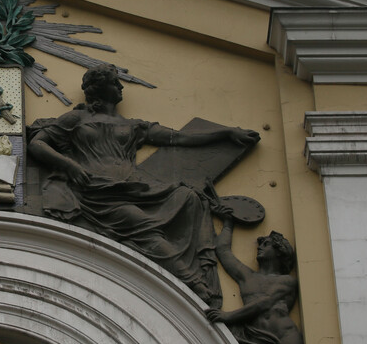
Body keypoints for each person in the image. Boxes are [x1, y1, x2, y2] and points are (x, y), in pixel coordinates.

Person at [27, 63, 259, 306]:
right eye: (113, 81)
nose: (119, 86)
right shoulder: (76, 118)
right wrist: (69, 165)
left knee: (189, 197)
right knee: (142, 224)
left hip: (133, 189)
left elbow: (178, 138)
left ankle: (196, 273)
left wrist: (226, 133)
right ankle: (193, 283)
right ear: (98, 87)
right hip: (97, 193)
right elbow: (37, 144)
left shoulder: (133, 126)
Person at [205, 219, 308, 344]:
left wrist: (228, 316)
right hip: (257, 340)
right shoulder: (247, 276)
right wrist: (228, 224)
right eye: (260, 243)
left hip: (285, 336)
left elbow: (263, 304)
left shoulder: (287, 281)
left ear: (279, 251)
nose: (259, 247)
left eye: (266, 244)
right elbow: (223, 252)